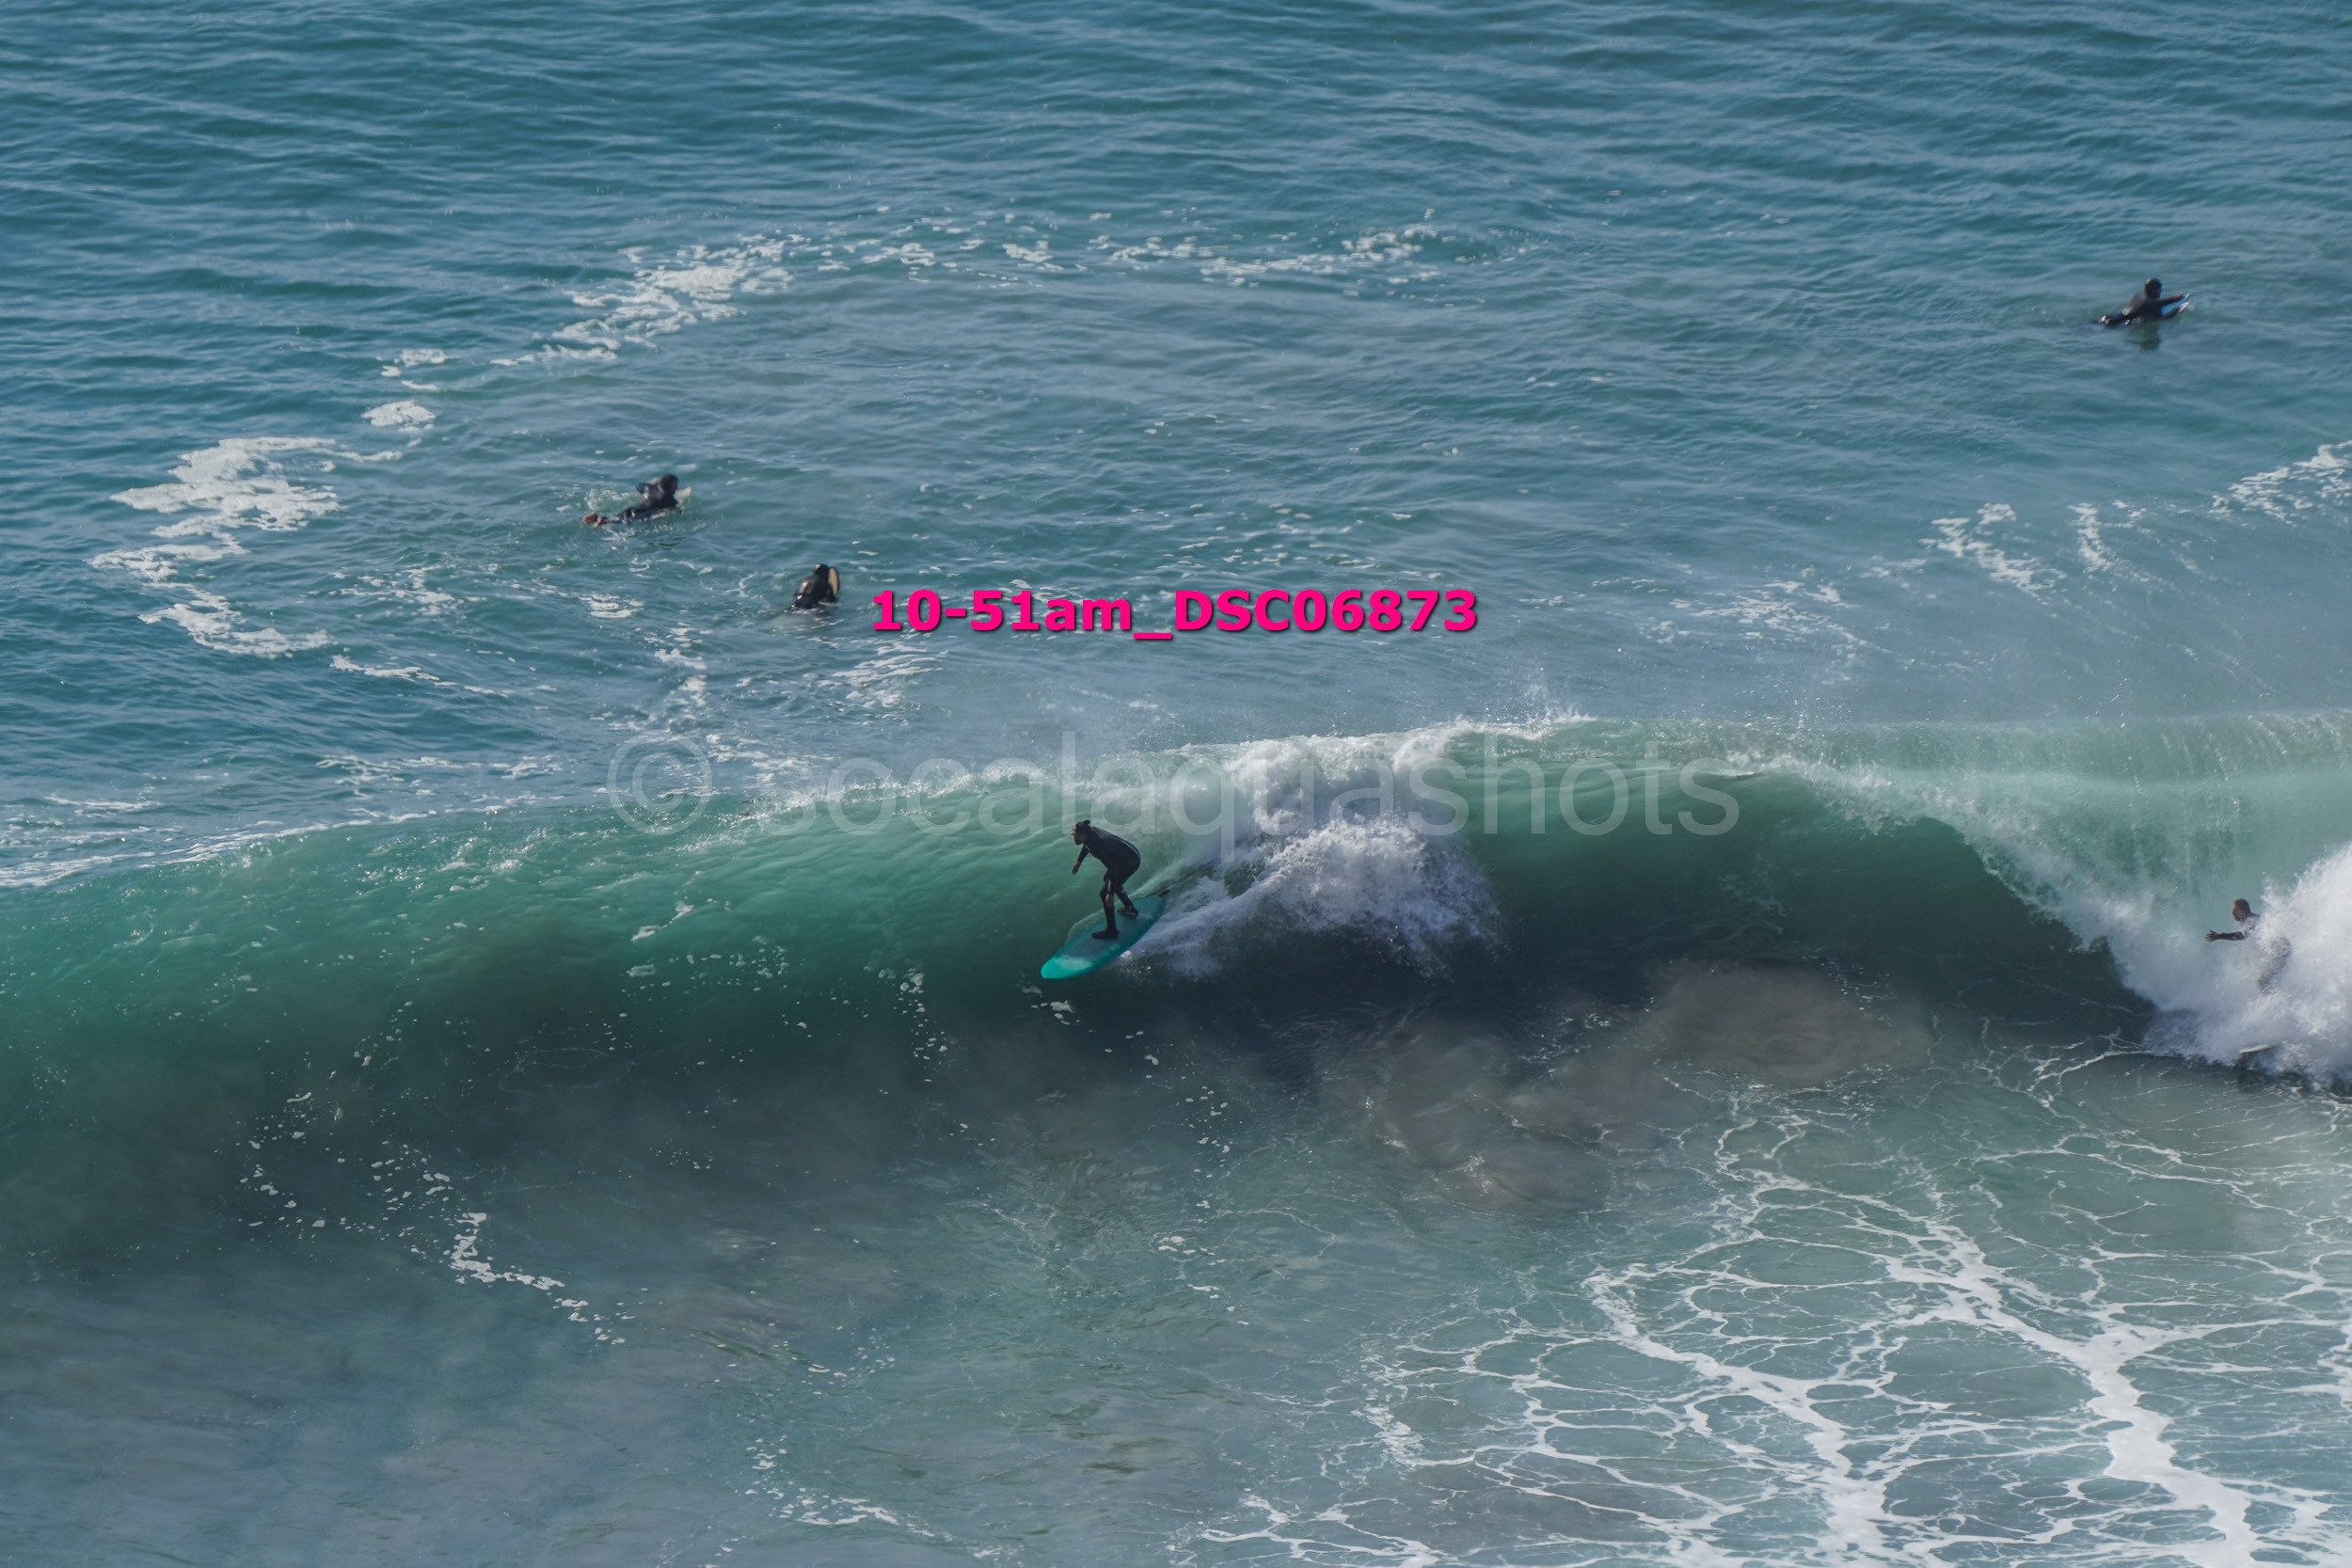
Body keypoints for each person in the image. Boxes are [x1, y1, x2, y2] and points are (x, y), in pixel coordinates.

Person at [1070, 819, 1142, 940]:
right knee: (1107, 879)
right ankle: (1131, 909)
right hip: (1130, 854)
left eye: (1077, 836)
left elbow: (1114, 868)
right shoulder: (1090, 832)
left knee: (1104, 894)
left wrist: (1110, 892)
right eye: (1074, 835)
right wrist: (1079, 861)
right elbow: (1087, 844)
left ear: (1084, 835)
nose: (1074, 838)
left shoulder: (1098, 847)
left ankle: (1112, 931)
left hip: (1129, 862)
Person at [583, 473, 681, 527]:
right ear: (668, 486)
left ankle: (595, 518)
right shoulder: (670, 500)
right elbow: (678, 511)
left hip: (634, 507)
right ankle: (599, 519)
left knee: (617, 518)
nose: (677, 488)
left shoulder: (651, 489)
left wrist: (651, 484)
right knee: (620, 522)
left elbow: (639, 486)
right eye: (675, 485)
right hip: (643, 512)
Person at [2101, 278, 2185, 328]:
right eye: (2160, 289)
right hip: (2117, 324)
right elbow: (2162, 316)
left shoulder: (2138, 295)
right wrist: (2179, 310)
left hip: (2111, 317)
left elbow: (2159, 303)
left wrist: (2174, 299)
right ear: (2155, 290)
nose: (2161, 291)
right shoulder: (2150, 303)